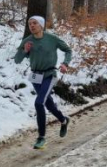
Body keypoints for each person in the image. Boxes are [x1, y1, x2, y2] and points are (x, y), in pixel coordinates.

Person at [14, 16, 72, 150]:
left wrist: (65, 64)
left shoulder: (51, 39)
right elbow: (17, 59)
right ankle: (63, 120)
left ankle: (41, 138)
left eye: (34, 23)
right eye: (29, 24)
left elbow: (68, 50)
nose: (32, 26)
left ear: (41, 25)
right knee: (48, 104)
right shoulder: (27, 41)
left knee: (39, 102)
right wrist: (25, 51)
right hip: (35, 76)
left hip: (49, 74)